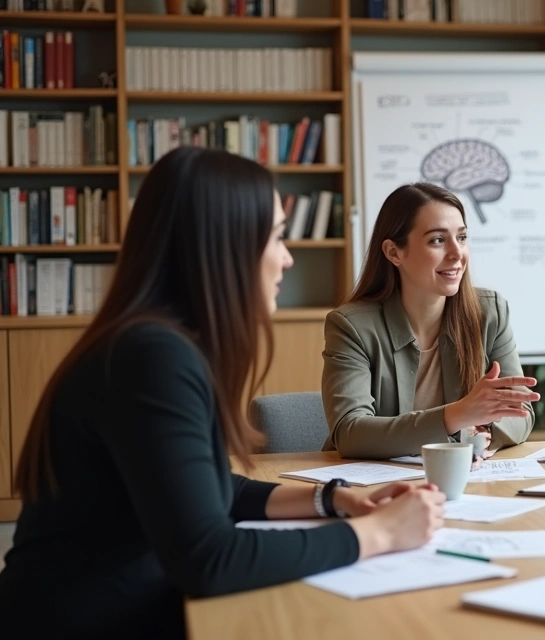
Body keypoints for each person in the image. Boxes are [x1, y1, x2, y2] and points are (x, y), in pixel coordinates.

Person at [0, 148, 447, 638]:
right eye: (277, 236)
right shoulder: (151, 357)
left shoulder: (156, 344)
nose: (288, 257)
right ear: (225, 244)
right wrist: (379, 533)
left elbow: (214, 489)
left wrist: (336, 501)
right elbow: (208, 559)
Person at [322, 183, 539, 460]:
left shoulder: (490, 312)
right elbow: (349, 432)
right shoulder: (351, 326)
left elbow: (520, 412)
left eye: (461, 238)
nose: (456, 253)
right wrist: (457, 416)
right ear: (393, 252)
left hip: (462, 481)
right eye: (437, 240)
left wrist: (483, 435)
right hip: (373, 490)